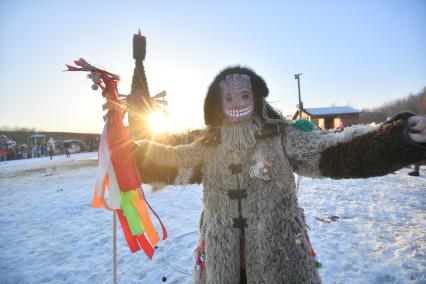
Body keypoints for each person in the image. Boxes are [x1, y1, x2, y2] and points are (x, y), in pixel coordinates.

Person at [133, 66, 426, 283]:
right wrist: (129, 155)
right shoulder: (207, 146)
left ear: (257, 97)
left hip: (281, 258)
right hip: (222, 263)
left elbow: (332, 148)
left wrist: (397, 138)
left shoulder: (283, 137)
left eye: (244, 94)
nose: (237, 102)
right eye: (229, 96)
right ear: (217, 102)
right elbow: (171, 162)